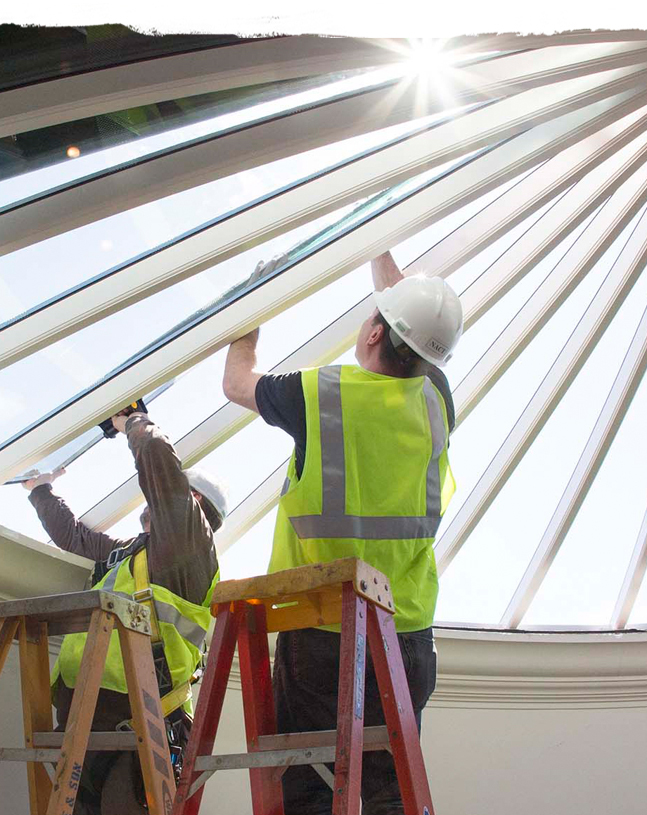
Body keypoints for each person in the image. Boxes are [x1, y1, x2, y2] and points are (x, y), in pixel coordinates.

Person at [220, 251, 462, 815]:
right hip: (407, 634)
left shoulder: (319, 396)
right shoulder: (436, 401)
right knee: (386, 795)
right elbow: (414, 328)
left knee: (308, 793)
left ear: (374, 331)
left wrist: (251, 307)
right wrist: (378, 246)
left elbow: (235, 382)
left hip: (322, 630)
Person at [23, 410, 227, 815]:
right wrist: (40, 491)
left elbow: (156, 458)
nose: (156, 498)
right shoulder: (135, 551)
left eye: (177, 493)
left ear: (194, 502)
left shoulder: (188, 547)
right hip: (90, 705)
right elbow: (74, 537)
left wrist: (133, 420)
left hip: (137, 711)